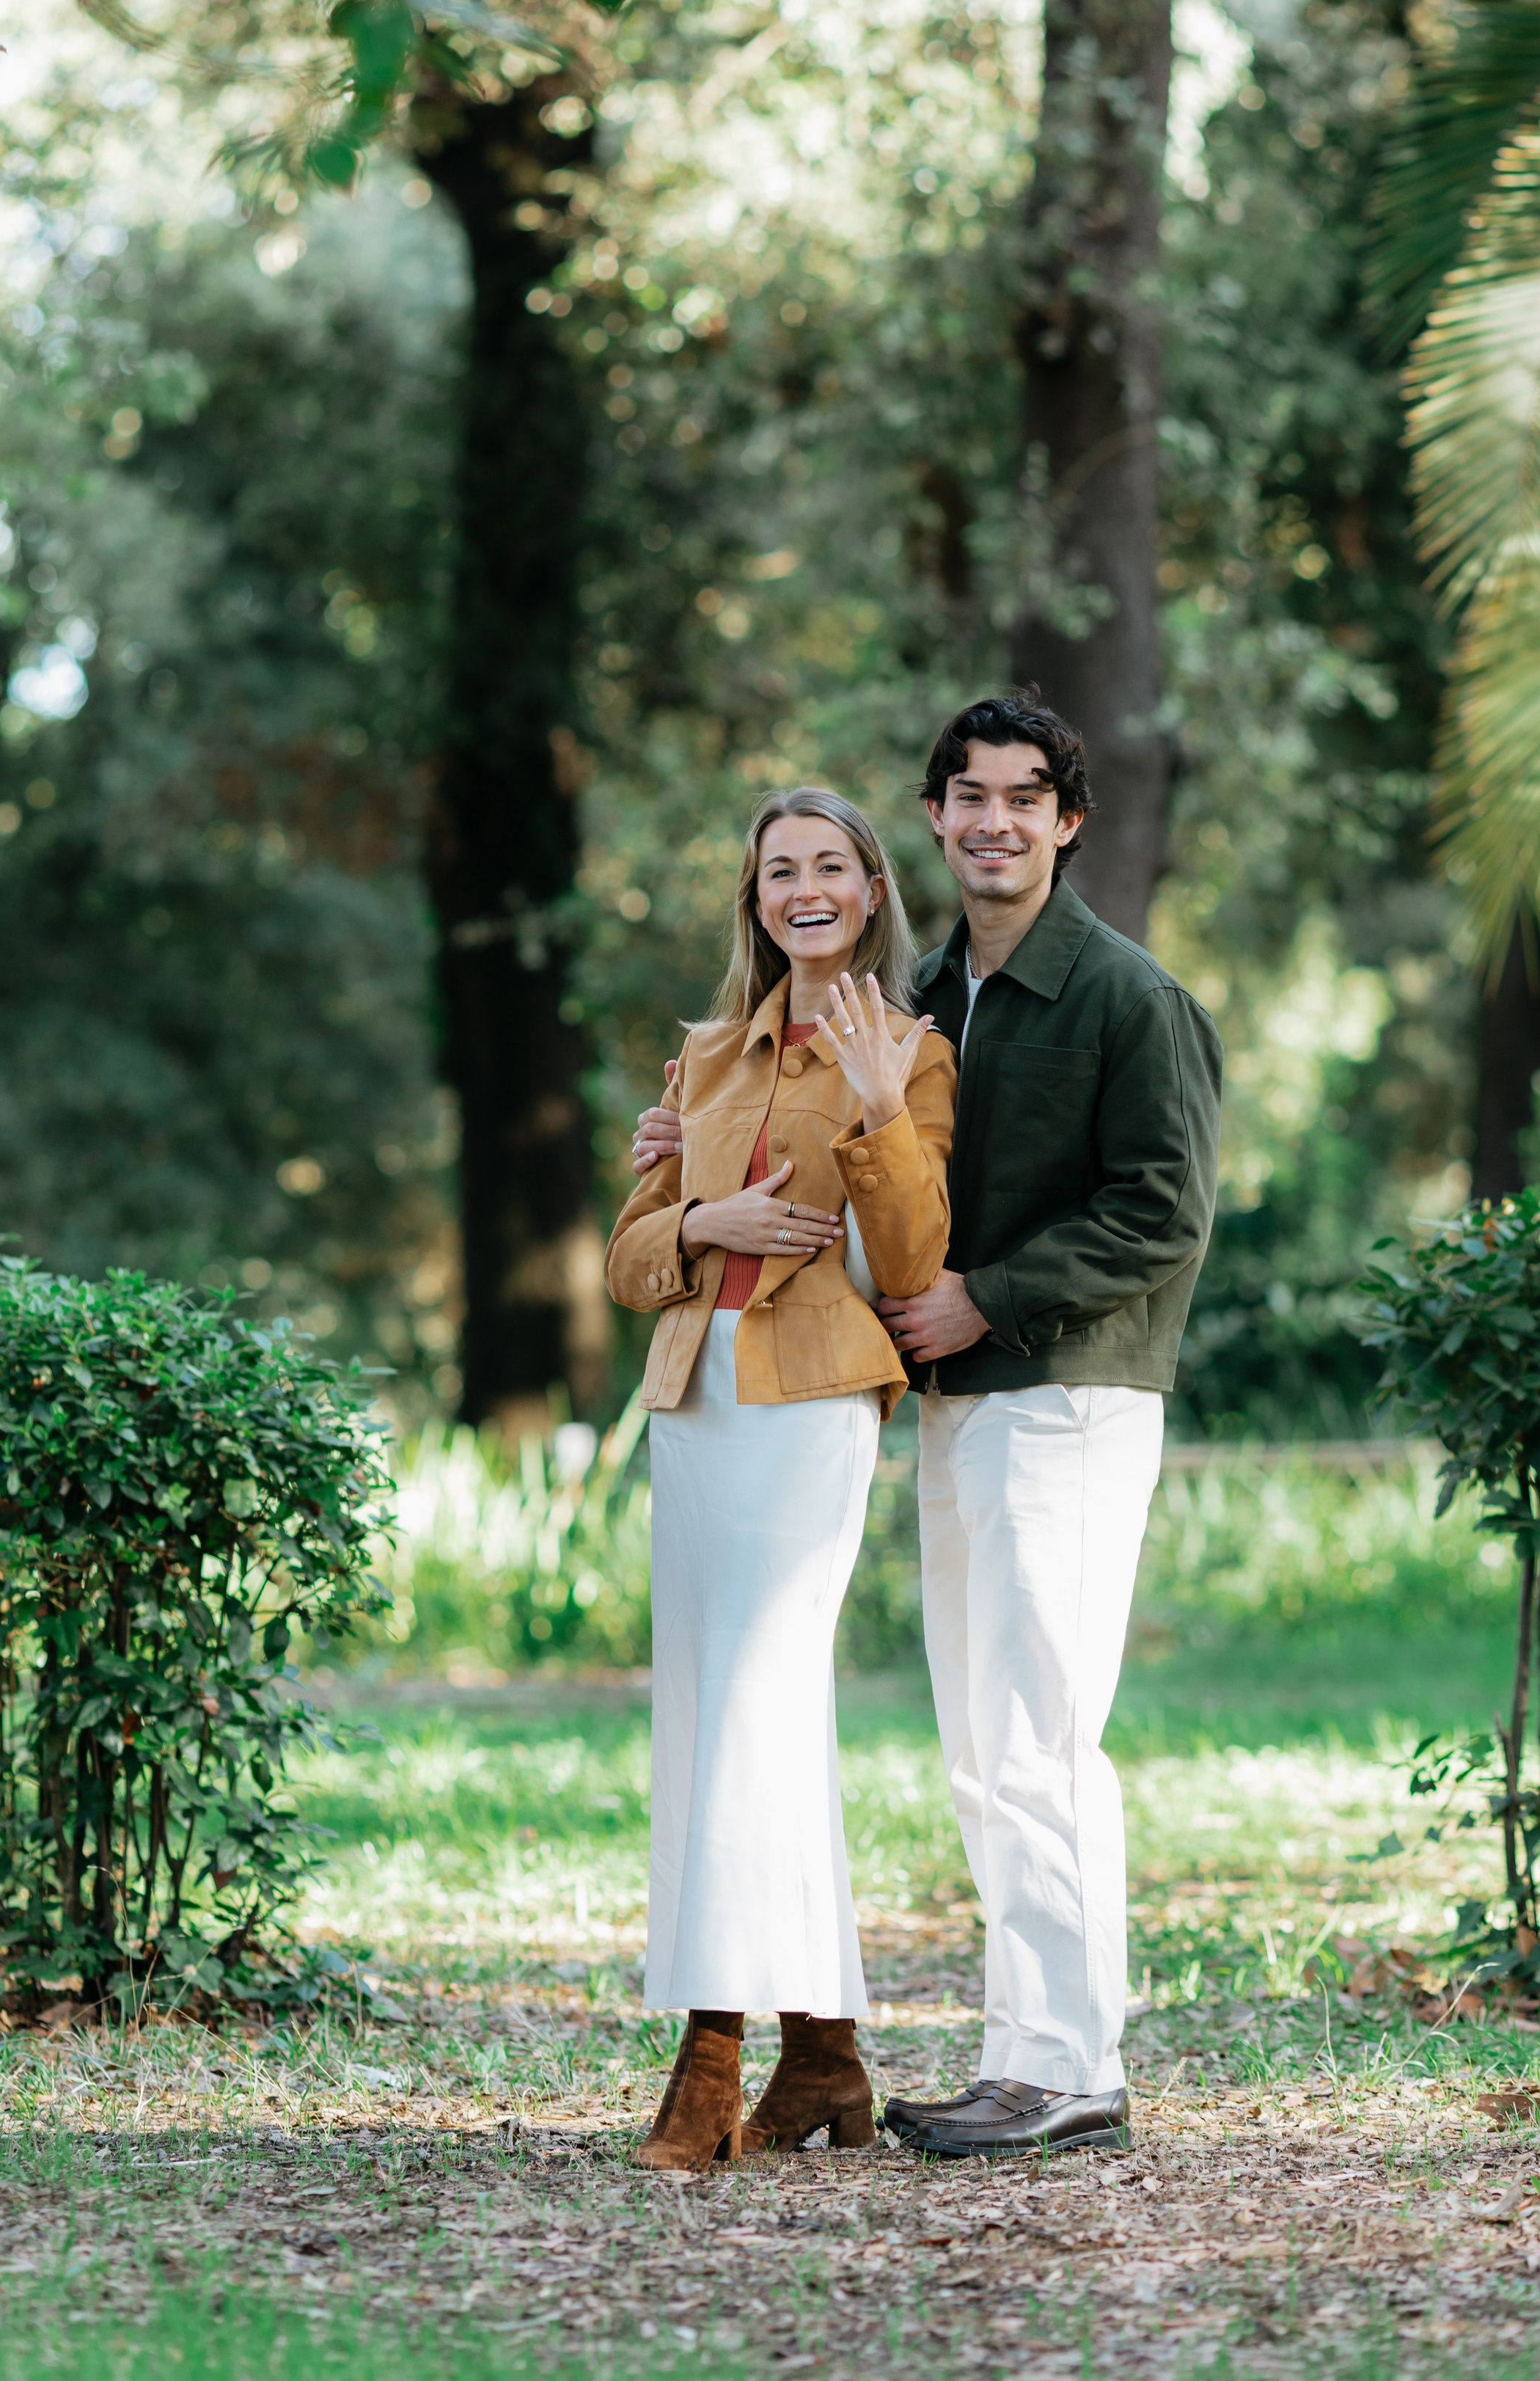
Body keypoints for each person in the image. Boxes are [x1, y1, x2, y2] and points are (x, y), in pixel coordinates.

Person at [633, 696, 1222, 2159]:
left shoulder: (1126, 995)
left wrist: (986, 1298)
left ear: (1067, 821)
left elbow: (1164, 1213)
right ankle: (1023, 2058)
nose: (994, 821)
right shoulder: (934, 992)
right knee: (983, 1749)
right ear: (938, 820)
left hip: (1069, 1387)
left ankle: (1071, 2068)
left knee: (1039, 1739)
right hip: (956, 1396)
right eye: (969, 797)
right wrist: (692, 1155)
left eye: (1024, 798)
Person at [606, 785, 956, 2176]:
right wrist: (711, 1215)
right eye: (777, 872)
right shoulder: (704, 1058)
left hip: (812, 1405)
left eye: (829, 867)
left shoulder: (915, 1053)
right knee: (722, 1719)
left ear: (870, 891)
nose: (803, 890)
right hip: (695, 1404)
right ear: (755, 902)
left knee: (753, 1706)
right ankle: (825, 2056)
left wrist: (875, 1111)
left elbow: (915, 1264)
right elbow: (630, 1260)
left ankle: (710, 2056)